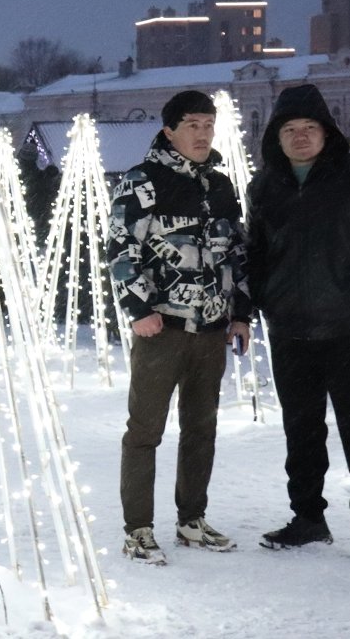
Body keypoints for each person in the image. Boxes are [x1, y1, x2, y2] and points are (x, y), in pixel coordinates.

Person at [245, 84, 350, 565]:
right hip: (289, 329)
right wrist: (263, 300)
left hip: (348, 328)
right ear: (276, 137)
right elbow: (255, 251)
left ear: (327, 131)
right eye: (289, 129)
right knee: (302, 431)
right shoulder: (265, 186)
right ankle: (308, 518)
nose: (300, 136)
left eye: (309, 127)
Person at [106, 90, 251, 565]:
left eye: (208, 124)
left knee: (201, 428)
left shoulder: (220, 185)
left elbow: (237, 253)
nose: (203, 133)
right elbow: (121, 248)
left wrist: (241, 313)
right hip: (161, 329)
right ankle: (138, 528)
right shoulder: (143, 181)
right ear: (169, 131)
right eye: (192, 124)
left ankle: (192, 520)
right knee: (145, 429)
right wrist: (139, 309)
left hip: (210, 329)